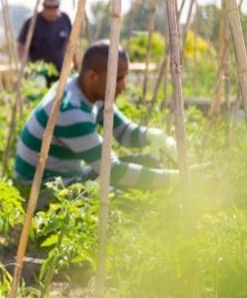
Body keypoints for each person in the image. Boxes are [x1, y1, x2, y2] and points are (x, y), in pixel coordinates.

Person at [14, 40, 180, 192]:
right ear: (92, 76)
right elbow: (112, 171)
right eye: (118, 79)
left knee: (147, 164)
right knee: (123, 201)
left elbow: (124, 133)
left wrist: (154, 136)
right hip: (41, 191)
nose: (123, 86)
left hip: (69, 178)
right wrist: (174, 179)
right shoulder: (69, 111)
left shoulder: (87, 91)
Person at [16, 0, 74, 83]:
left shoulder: (65, 19)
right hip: (38, 73)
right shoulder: (31, 21)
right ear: (43, 6)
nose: (51, 10)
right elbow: (21, 47)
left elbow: (71, 43)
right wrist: (31, 67)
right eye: (48, 7)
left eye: (55, 6)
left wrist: (71, 64)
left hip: (60, 72)